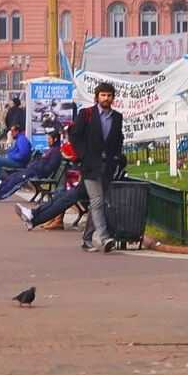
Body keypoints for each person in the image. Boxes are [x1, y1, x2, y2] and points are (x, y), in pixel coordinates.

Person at [71, 84, 125, 253]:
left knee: (100, 202)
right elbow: (75, 136)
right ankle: (104, 237)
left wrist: (116, 157)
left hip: (107, 166)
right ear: (97, 97)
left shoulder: (117, 117)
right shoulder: (86, 114)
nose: (106, 98)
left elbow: (118, 139)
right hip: (90, 165)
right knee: (96, 201)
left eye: (109, 95)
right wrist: (82, 155)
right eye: (103, 95)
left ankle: (87, 239)